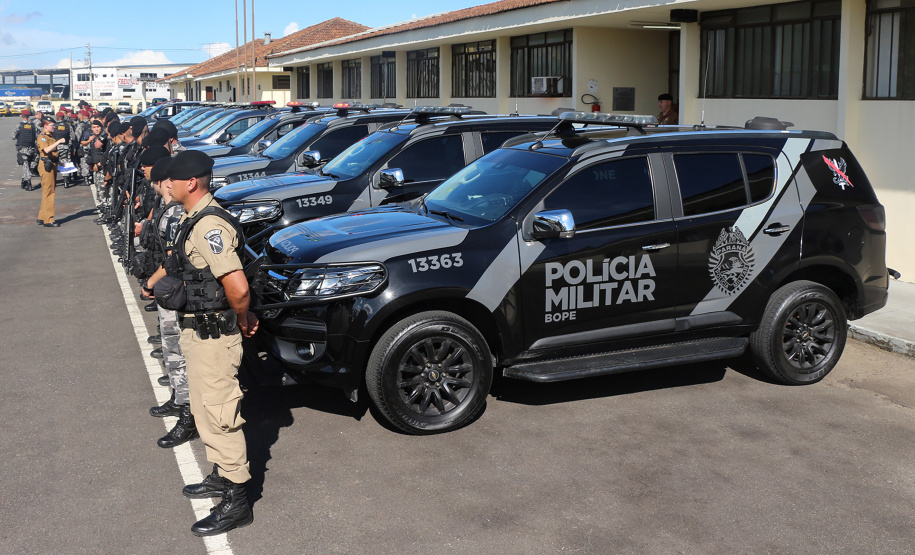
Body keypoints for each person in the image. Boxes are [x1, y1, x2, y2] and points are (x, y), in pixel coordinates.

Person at [158, 150, 258, 536]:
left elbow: (237, 285)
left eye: (173, 180)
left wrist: (241, 316)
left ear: (191, 183)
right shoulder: (194, 218)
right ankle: (221, 474)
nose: (167, 185)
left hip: (215, 335)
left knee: (219, 415)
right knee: (204, 411)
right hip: (200, 332)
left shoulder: (208, 226)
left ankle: (237, 500)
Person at [36, 118, 66, 227]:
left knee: (47, 191)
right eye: (52, 125)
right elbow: (46, 150)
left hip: (52, 163)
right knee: (49, 192)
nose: (54, 127)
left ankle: (42, 216)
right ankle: (48, 219)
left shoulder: (50, 136)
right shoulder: (43, 137)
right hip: (46, 165)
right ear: (45, 126)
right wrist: (58, 142)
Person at [11, 110, 38, 190]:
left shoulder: (19, 125)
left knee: (25, 165)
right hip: (31, 148)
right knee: (27, 165)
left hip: (23, 148)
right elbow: (37, 136)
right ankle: (23, 181)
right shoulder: (33, 126)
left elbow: (13, 136)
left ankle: (28, 181)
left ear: (21, 116)